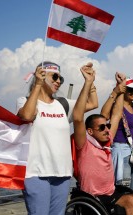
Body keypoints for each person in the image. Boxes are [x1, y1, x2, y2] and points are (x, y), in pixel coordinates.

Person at [16, 61, 98, 215]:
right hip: (36, 173)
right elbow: (27, 115)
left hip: (62, 173)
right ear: (40, 75)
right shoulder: (25, 101)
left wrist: (89, 82)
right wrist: (37, 85)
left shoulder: (63, 104)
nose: (58, 81)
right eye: (54, 76)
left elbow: (93, 103)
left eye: (61, 78)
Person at [72, 70, 133, 215]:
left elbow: (117, 114)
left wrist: (120, 87)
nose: (107, 129)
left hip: (110, 192)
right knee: (131, 203)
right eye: (101, 127)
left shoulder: (106, 141)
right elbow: (78, 117)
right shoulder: (84, 144)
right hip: (92, 195)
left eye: (107, 126)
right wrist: (88, 82)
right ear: (90, 131)